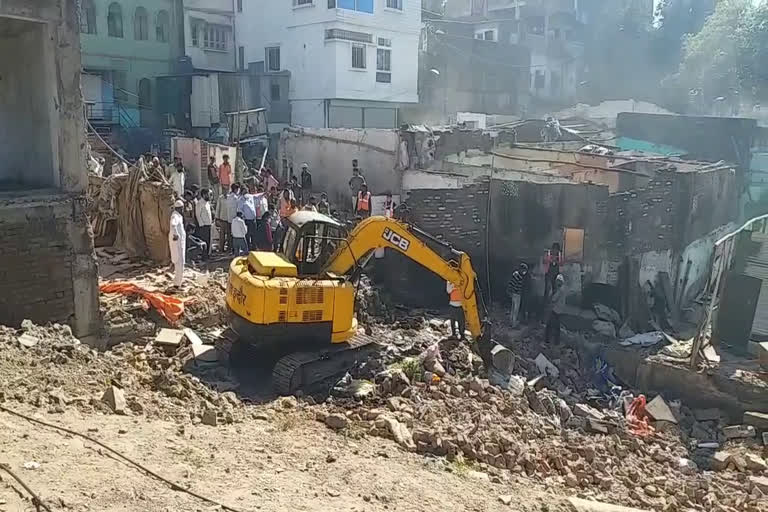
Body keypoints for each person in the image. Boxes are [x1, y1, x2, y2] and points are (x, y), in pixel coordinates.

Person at [216, 183, 238, 253]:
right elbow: (218, 208)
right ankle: (221, 249)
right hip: (222, 218)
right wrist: (217, 217)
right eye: (224, 190)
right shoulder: (220, 198)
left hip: (229, 219)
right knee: (222, 235)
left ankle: (229, 248)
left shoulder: (230, 197)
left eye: (226, 190)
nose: (225, 191)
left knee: (229, 235)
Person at [169, 200, 186, 287]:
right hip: (177, 244)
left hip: (180, 243)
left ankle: (178, 281)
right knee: (179, 263)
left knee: (181, 262)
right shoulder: (175, 216)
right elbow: (173, 225)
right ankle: (177, 284)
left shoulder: (179, 216)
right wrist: (175, 234)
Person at [545, 274, 566, 345]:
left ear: (560, 282)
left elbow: (553, 299)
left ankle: (547, 340)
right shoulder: (563, 289)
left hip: (556, 310)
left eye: (558, 281)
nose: (556, 283)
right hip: (559, 310)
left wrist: (550, 296)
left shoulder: (560, 290)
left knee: (549, 325)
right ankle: (556, 341)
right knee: (556, 326)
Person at [238, 182, 258, 250]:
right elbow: (239, 210)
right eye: (244, 189)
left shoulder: (251, 197)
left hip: (253, 219)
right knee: (247, 235)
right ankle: (248, 248)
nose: (246, 190)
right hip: (247, 220)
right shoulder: (241, 199)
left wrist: (265, 193)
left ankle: (254, 248)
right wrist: (242, 218)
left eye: (246, 189)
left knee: (254, 235)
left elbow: (257, 196)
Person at [506, 263, 528, 328]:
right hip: (517, 294)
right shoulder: (519, 276)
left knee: (513, 309)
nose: (524, 272)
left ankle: (511, 322)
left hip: (513, 294)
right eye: (524, 270)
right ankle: (514, 324)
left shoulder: (514, 274)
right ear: (521, 269)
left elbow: (510, 284)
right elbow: (518, 285)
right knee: (516, 310)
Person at [195, 188, 213, 260]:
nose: (209, 196)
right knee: (204, 241)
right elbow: (198, 215)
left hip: (209, 224)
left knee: (209, 241)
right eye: (208, 194)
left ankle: (208, 255)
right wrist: (201, 224)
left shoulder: (207, 203)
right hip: (203, 226)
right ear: (204, 195)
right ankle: (204, 256)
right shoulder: (199, 203)